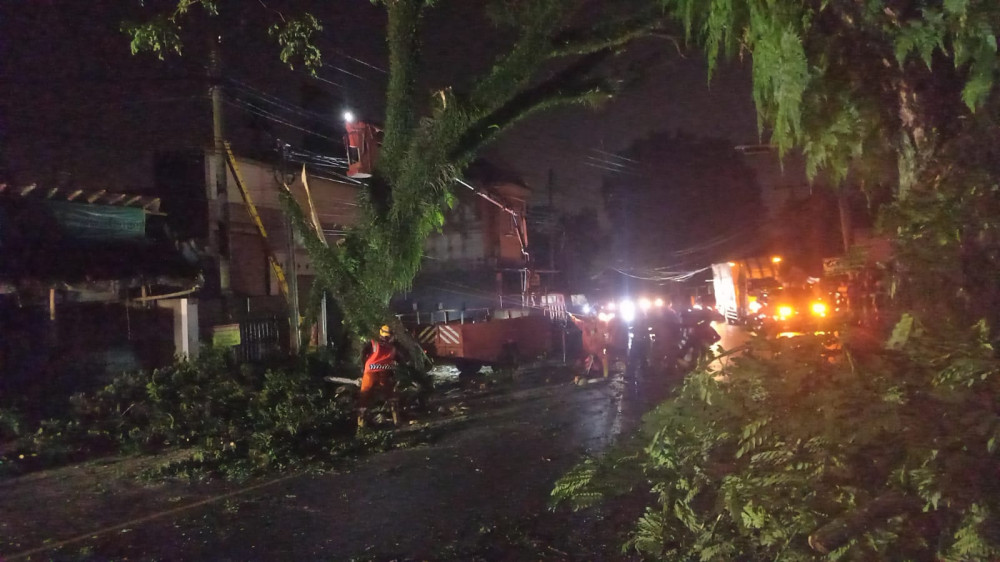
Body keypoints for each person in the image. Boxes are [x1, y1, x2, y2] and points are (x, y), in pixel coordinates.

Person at [358, 324, 404, 429]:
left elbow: (363, 353)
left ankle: (361, 424)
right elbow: (401, 360)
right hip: (383, 373)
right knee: (390, 396)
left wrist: (362, 366)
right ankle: (396, 420)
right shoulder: (393, 348)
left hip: (371, 372)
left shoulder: (373, 343)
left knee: (364, 396)